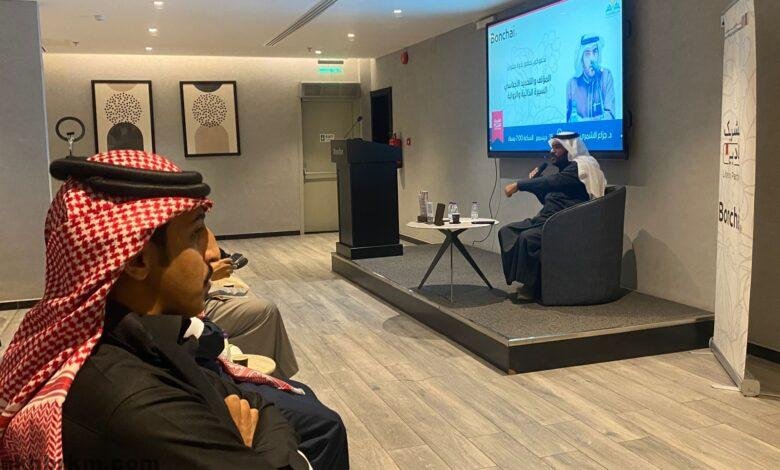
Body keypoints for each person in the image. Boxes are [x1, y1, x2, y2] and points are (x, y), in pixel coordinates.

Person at [0, 150, 310, 468]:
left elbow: (254, 402)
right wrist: (242, 444)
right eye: (195, 234)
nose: (214, 253)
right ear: (138, 260)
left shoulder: (137, 333)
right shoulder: (135, 405)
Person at [499, 132, 606, 298]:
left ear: (570, 148)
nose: (552, 151)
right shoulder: (567, 170)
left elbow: (552, 182)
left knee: (528, 238)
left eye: (557, 147)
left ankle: (533, 287)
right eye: (552, 147)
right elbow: (549, 200)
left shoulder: (581, 167)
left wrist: (520, 185)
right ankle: (526, 279)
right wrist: (535, 184)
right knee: (506, 231)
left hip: (564, 223)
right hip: (547, 219)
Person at [205, 228, 300, 380]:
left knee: (265, 310)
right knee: (265, 312)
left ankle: (267, 378)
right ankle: (261, 380)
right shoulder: (170, 233)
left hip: (199, 295)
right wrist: (207, 273)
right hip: (183, 309)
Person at [566, 34, 615, 122]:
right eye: (587, 53)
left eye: (595, 51)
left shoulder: (606, 76)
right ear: (581, 59)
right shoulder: (572, 84)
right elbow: (570, 121)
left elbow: (610, 116)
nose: (592, 59)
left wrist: (583, 122)